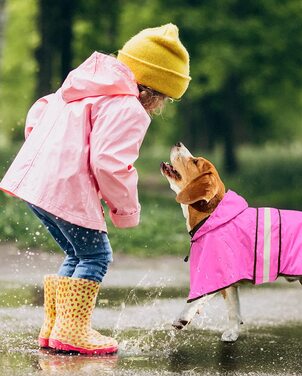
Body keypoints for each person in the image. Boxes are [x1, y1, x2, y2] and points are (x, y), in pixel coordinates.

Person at [0, 23, 191, 355]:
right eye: (165, 98)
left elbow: (38, 112)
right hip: (65, 190)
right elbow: (109, 162)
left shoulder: (85, 86)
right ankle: (71, 332)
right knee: (96, 255)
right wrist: (125, 210)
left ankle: (55, 328)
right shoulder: (127, 106)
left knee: (77, 254)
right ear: (155, 88)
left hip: (39, 184)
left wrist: (49, 157)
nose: (161, 106)